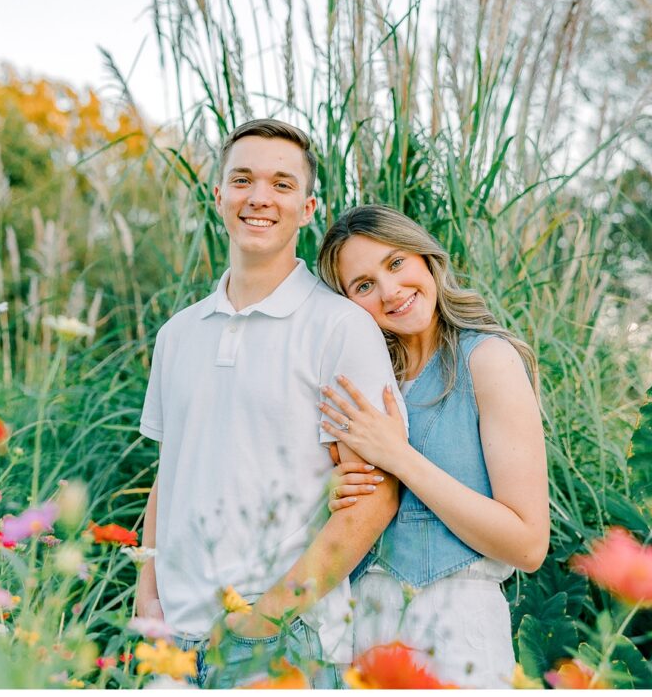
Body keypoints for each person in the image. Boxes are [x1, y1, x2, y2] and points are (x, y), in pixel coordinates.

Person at [136, 120, 408, 688]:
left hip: (285, 642)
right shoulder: (177, 334)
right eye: (243, 179)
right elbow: (171, 472)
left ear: (307, 207)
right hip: (173, 644)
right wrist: (149, 601)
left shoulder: (340, 328)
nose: (259, 197)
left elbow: (376, 495)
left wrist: (262, 621)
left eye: (282, 185)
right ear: (218, 196)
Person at [313, 204, 549, 688]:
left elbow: (528, 545)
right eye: (363, 285)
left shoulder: (489, 360)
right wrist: (329, 491)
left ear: (425, 259)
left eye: (396, 263)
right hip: (364, 631)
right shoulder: (366, 379)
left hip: (458, 628)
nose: (389, 292)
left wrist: (399, 457)